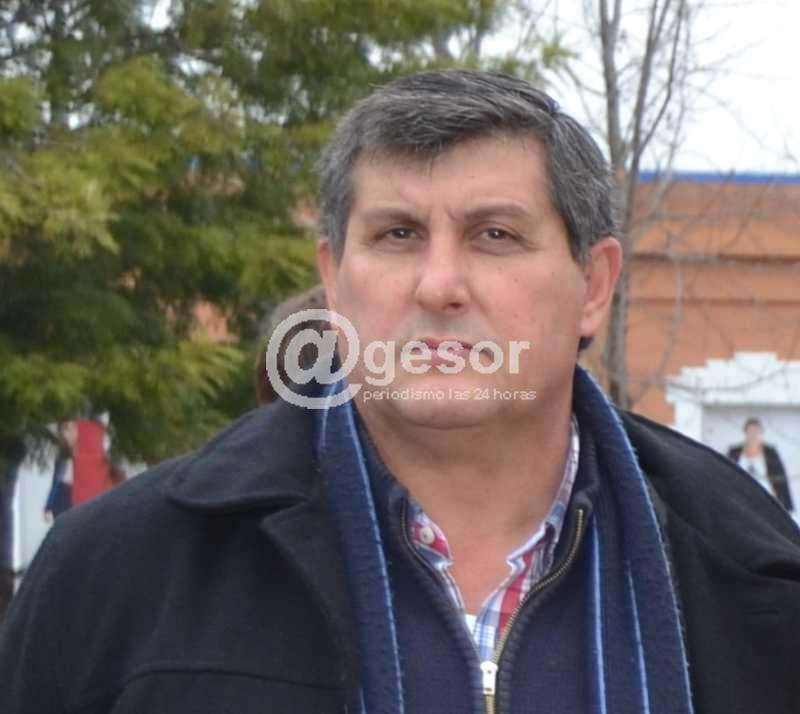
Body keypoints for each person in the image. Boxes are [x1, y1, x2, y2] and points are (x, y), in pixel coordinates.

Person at [2, 69, 800, 714]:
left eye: (494, 235)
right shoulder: (120, 574)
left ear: (593, 287)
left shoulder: (754, 580)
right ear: (334, 281)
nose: (439, 284)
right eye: (397, 235)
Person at [728, 417, 794, 512]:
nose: (753, 435)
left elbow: (781, 479)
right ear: (745, 432)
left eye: (756, 431)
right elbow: (726, 474)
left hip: (765, 499)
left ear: (761, 433)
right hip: (740, 499)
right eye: (750, 431)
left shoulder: (770, 453)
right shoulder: (734, 452)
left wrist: (784, 505)